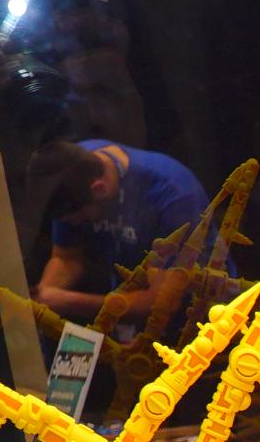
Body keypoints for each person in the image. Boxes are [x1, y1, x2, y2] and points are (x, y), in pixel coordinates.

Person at [31, 137, 209, 327]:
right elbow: (67, 258)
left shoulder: (173, 193)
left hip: (195, 317)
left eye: (77, 218)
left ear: (99, 189)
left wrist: (69, 302)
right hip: (120, 304)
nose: (74, 224)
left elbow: (163, 302)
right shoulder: (72, 170)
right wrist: (41, 299)